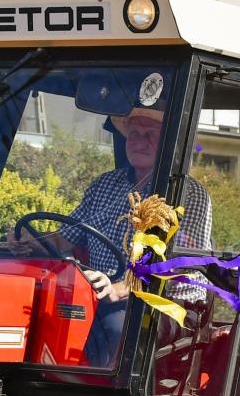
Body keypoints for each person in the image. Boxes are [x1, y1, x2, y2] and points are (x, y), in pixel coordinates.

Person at [21, 106, 213, 365]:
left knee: (117, 328)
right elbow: (66, 238)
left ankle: (98, 391)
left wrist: (120, 288)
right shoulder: (105, 185)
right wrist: (29, 240)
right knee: (40, 313)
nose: (139, 141)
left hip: (168, 303)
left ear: (169, 142)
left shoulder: (187, 193)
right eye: (134, 134)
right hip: (101, 293)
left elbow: (174, 262)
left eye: (150, 134)